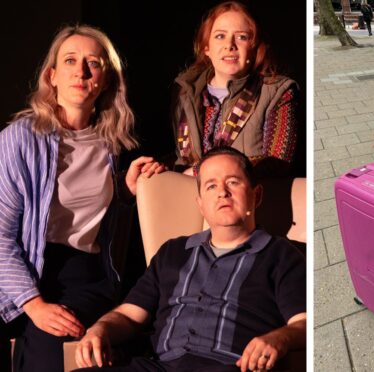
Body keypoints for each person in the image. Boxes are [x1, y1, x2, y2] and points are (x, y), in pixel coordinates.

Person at [0, 25, 164, 371]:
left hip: (83, 272)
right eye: (71, 61)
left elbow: (93, 207)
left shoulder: (113, 143)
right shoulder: (19, 139)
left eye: (94, 63)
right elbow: (1, 236)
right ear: (52, 75)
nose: (82, 71)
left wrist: (125, 190)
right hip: (25, 266)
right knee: (37, 334)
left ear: (105, 80)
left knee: (55, 348)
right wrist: (33, 303)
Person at [73, 146, 306, 372]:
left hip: (229, 365)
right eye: (211, 186)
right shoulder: (173, 251)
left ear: (256, 195)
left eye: (233, 182)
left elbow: (303, 323)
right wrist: (100, 328)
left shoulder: (281, 255)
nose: (222, 192)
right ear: (200, 204)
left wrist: (278, 338)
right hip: (160, 366)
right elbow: (129, 315)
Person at [173, 1, 299, 178]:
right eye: (220, 36)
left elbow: (277, 163)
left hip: (255, 202)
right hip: (193, 199)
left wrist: (199, 171)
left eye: (242, 37)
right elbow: (181, 161)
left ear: (254, 47)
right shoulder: (186, 95)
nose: (229, 45)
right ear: (206, 47)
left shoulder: (278, 92)